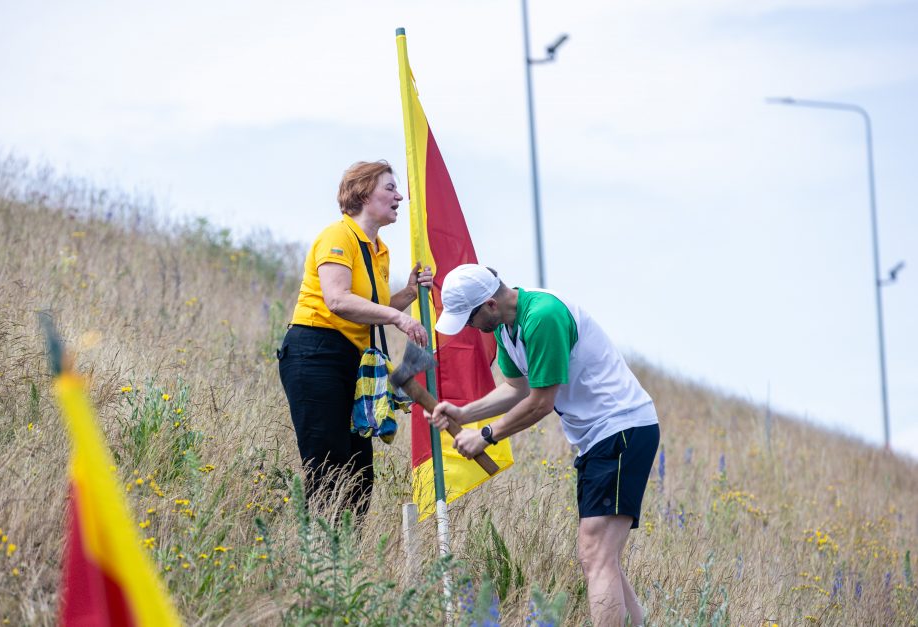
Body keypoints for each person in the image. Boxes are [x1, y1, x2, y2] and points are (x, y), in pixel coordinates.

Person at [427, 264, 659, 626]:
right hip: (597, 438)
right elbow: (515, 388)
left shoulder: (544, 316)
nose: (470, 329)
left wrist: (486, 435)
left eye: (469, 320)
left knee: (595, 553)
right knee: (599, 555)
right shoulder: (507, 328)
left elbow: (540, 402)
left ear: (489, 304)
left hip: (621, 429)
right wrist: (464, 411)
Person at [278, 160, 432, 519]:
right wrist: (397, 318)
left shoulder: (379, 249)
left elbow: (371, 305)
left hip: (354, 360)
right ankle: (318, 555)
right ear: (363, 192)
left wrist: (406, 295)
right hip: (315, 353)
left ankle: (347, 555)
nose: (400, 196)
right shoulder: (337, 236)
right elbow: (337, 300)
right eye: (390, 188)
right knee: (328, 463)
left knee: (360, 474)